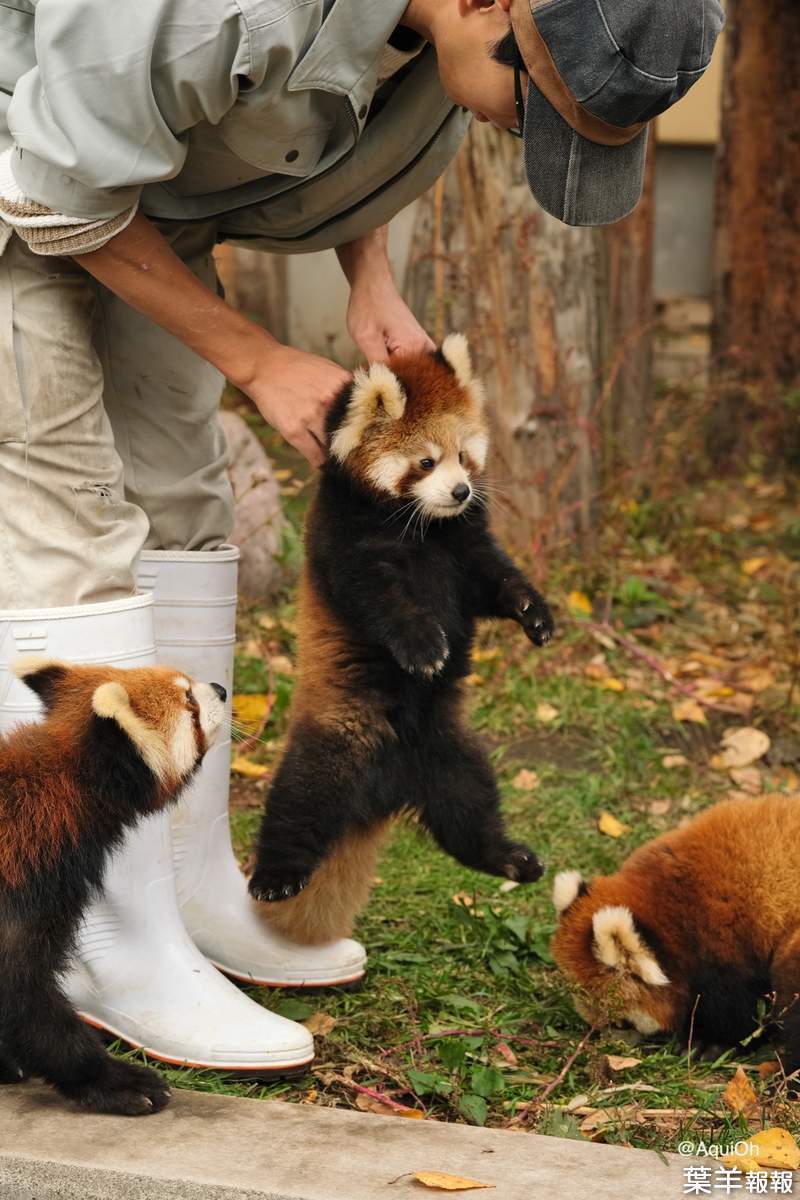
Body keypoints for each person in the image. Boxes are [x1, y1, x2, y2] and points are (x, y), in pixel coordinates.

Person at [0, 0, 723, 1072]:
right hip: (26, 173)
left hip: (147, 198)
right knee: (67, 521)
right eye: (541, 115)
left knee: (181, 496)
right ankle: (106, 939)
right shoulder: (220, 14)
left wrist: (365, 271)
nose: (530, 141)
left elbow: (371, 131)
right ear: (492, 8)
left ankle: (189, 890)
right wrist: (254, 358)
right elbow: (51, 188)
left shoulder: (451, 31)